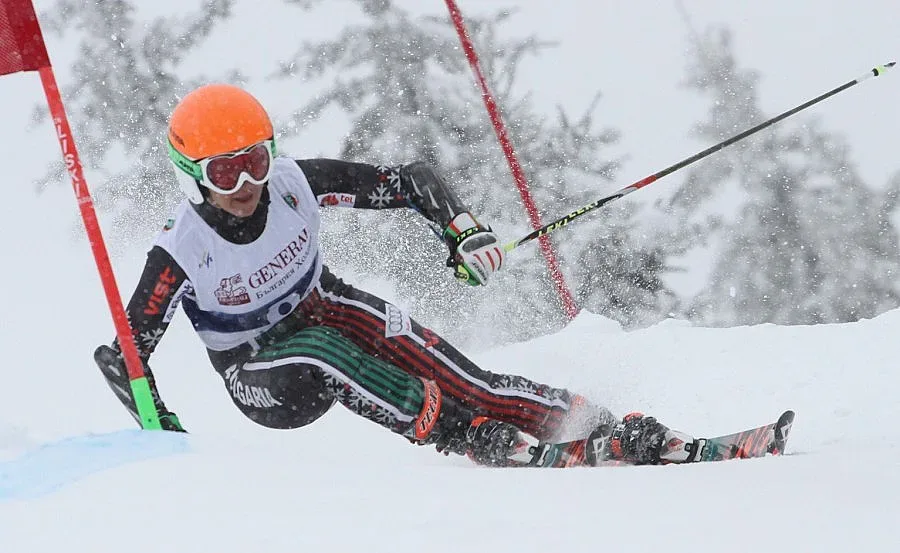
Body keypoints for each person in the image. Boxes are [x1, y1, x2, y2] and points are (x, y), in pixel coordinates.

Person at [94, 84, 699, 467]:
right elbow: (125, 354)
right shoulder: (181, 249)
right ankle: (461, 434)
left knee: (460, 377)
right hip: (260, 372)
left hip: (322, 304)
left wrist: (462, 230)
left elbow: (409, 181)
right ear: (192, 177)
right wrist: (157, 420)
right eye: (226, 174)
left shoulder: (295, 184)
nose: (248, 185)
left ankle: (597, 426)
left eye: (256, 161)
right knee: (325, 350)